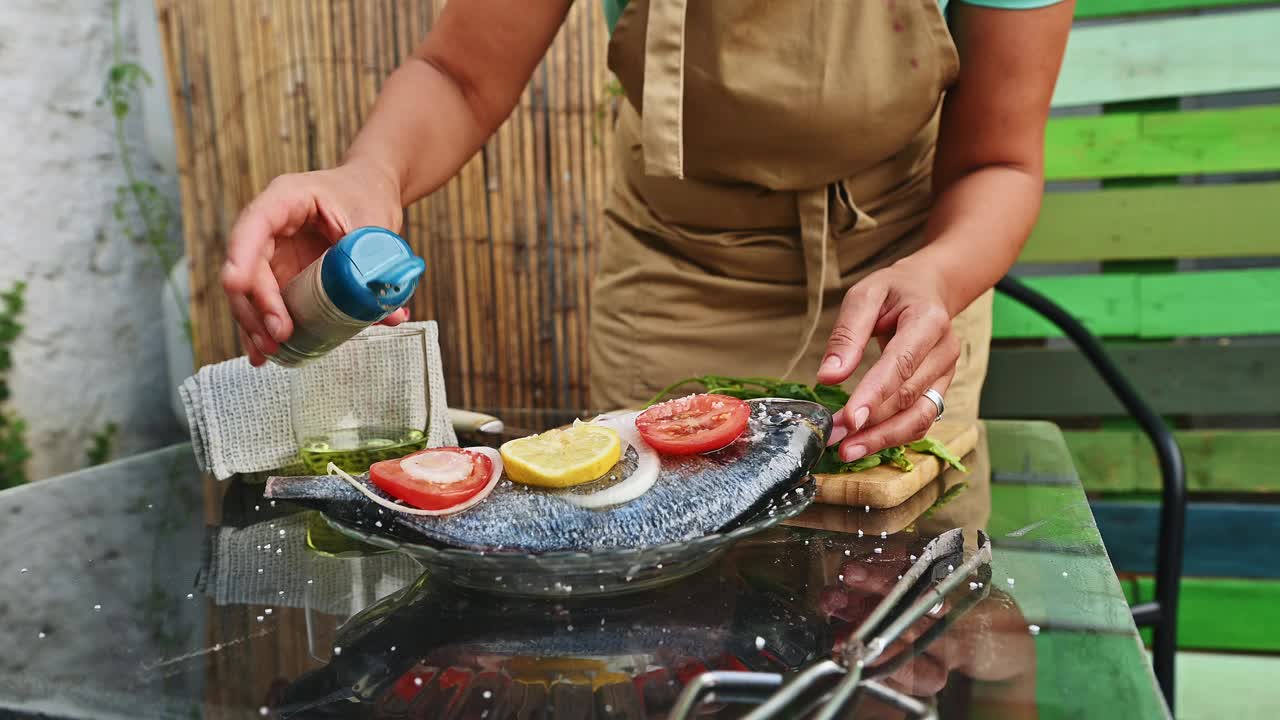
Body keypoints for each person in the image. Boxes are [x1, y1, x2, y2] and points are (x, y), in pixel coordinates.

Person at [221, 0, 1072, 464]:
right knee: (665, 628)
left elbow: (996, 161)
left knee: (895, 625)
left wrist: (944, 276)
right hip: (677, 271)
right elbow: (459, 72)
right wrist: (370, 175)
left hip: (904, 285)